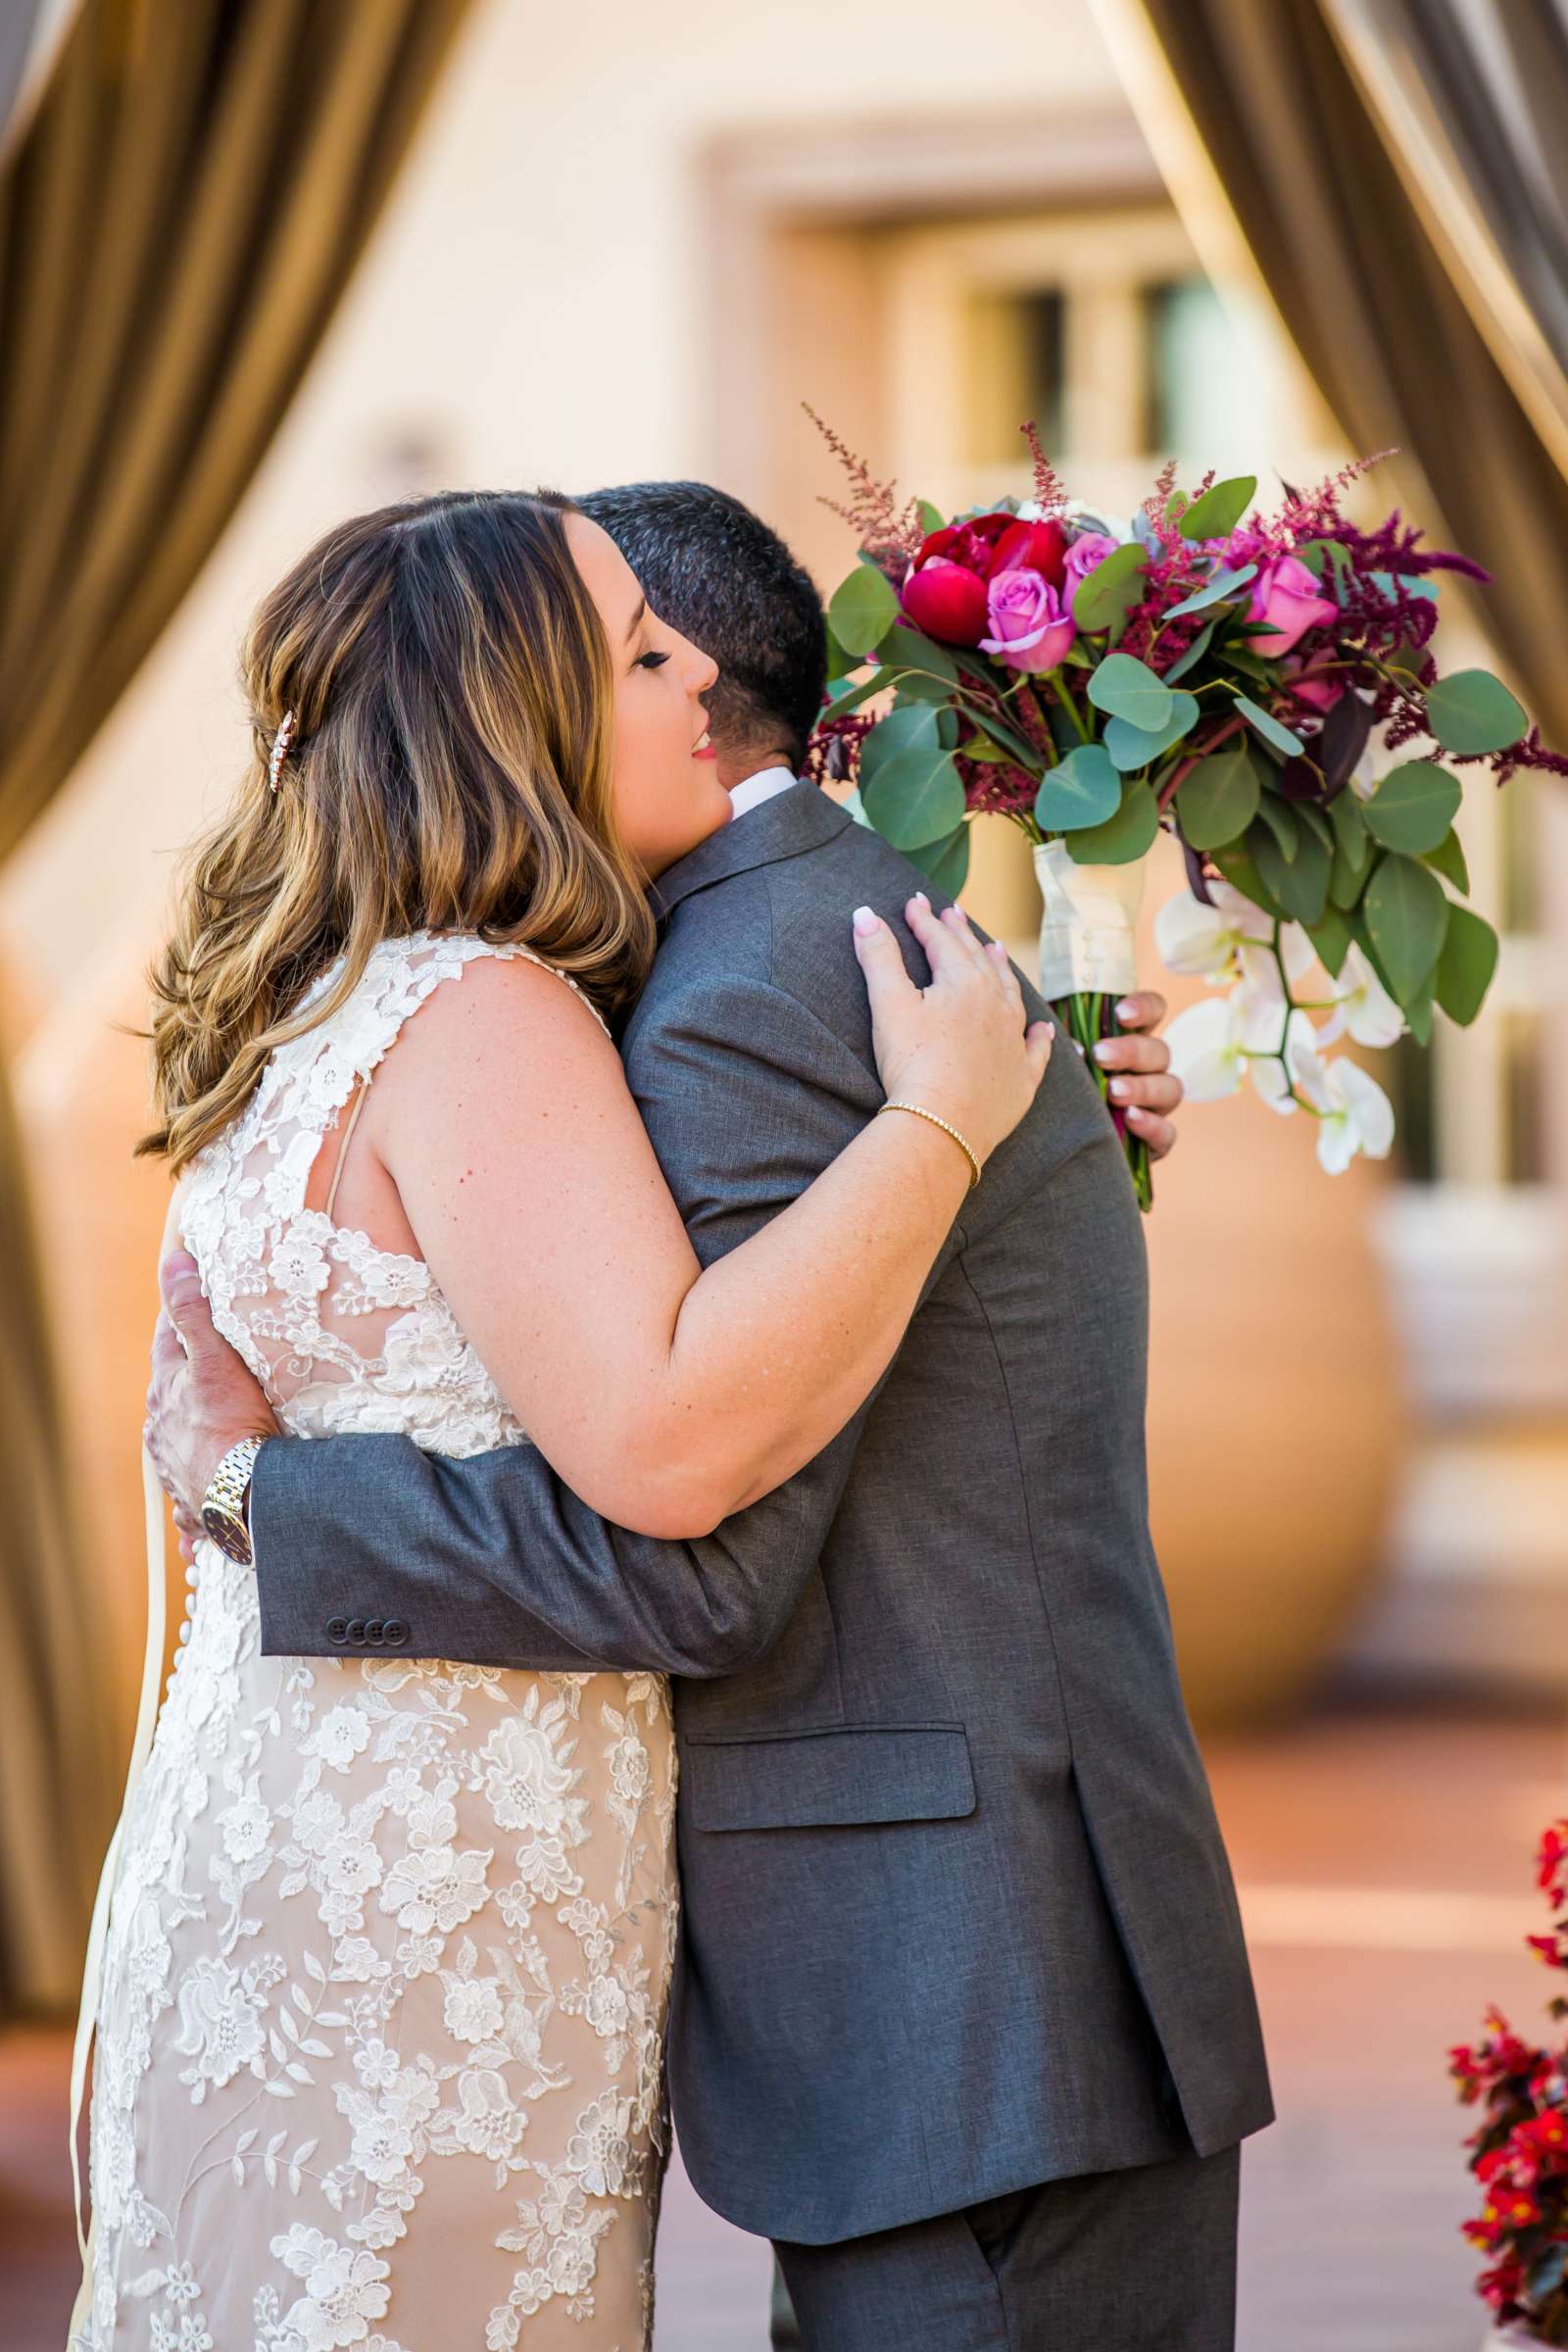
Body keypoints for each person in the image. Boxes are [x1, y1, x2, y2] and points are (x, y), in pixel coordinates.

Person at [145, 487, 1268, 2352]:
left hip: (966, 1993)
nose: (668, 682)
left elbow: (702, 1553)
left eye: (659, 646)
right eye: (620, 651)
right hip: (933, 1968)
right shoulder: (730, 959)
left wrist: (273, 1500)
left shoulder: (729, 994)